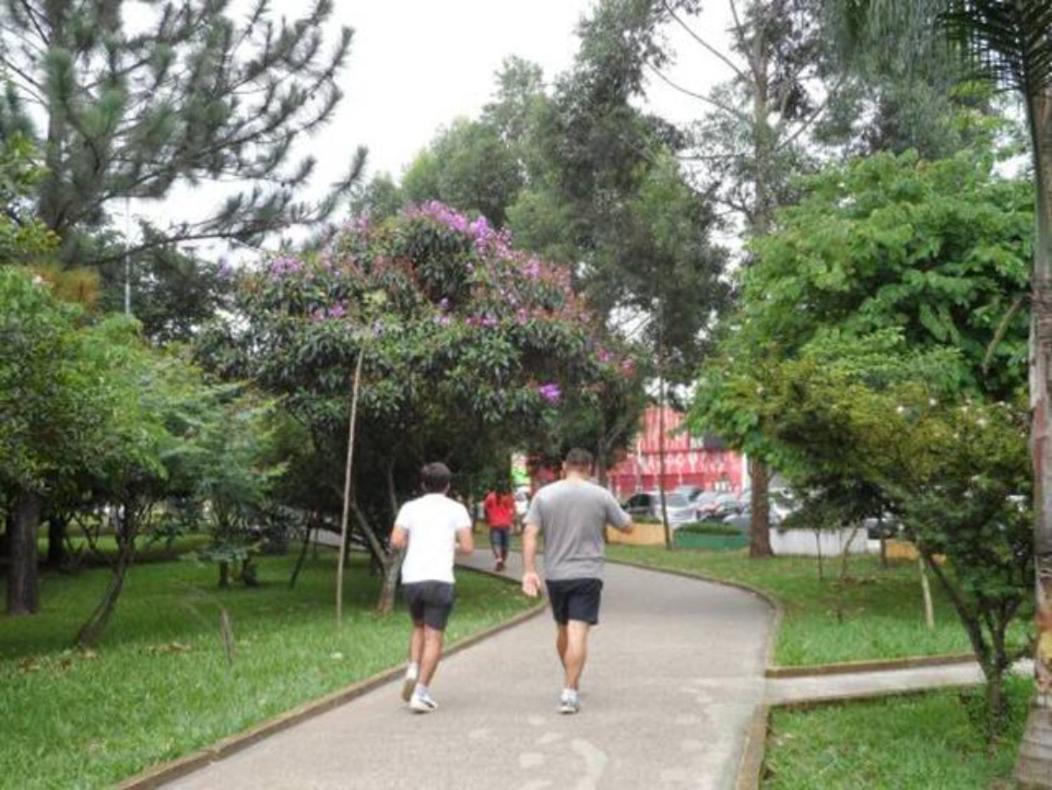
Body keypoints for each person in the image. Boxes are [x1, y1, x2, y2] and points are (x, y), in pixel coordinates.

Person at [521, 448, 633, 714]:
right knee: (578, 632)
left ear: (564, 466)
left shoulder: (544, 495)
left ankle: (571, 678)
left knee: (562, 630)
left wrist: (529, 570)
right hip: (588, 573)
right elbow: (627, 526)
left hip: (556, 574)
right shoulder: (601, 495)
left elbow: (530, 533)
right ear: (590, 468)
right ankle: (570, 691)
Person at [389, 462, 474, 713]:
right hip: (439, 579)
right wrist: (450, 545)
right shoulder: (456, 509)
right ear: (447, 485)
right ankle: (421, 692)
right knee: (434, 635)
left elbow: (396, 541)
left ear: (423, 484)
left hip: (412, 578)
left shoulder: (409, 507)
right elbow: (468, 547)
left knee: (417, 627)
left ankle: (413, 668)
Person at [483, 483, 516, 571]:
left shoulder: (490, 497)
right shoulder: (509, 497)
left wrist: (487, 519)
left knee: (495, 544)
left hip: (494, 524)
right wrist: (512, 522)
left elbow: (485, 509)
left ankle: (499, 561)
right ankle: (502, 563)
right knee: (505, 545)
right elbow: (513, 511)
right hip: (506, 525)